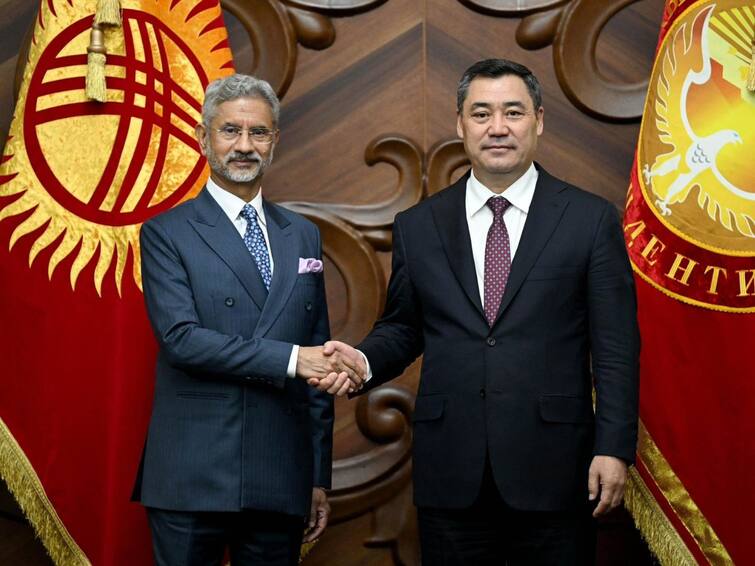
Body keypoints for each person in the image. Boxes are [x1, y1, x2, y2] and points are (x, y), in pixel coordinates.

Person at [314, 59, 640, 565]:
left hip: (556, 468)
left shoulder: (589, 220)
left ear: (539, 120)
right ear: (461, 124)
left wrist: (614, 447)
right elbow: (403, 326)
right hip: (452, 473)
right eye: (482, 113)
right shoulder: (419, 224)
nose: (498, 128)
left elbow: (617, 348)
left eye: (513, 112)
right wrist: (363, 361)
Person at [132, 74, 359, 566]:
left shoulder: (302, 236)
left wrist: (317, 475)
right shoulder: (166, 233)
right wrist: (294, 359)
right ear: (203, 137)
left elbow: (316, 362)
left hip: (280, 473)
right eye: (230, 131)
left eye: (258, 133)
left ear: (274, 141)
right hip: (192, 473)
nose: (244, 145)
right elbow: (183, 341)